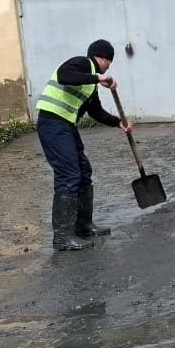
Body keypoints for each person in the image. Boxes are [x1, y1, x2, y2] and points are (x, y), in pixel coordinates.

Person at [35, 39, 133, 251]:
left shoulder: (90, 85)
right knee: (69, 174)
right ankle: (62, 237)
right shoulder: (80, 63)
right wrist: (99, 78)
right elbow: (64, 75)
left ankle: (83, 225)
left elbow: (95, 111)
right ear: (103, 58)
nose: (108, 66)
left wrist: (119, 123)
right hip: (52, 123)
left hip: (65, 126)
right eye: (109, 62)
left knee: (83, 171)